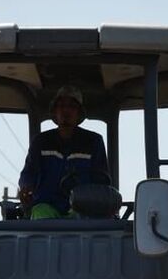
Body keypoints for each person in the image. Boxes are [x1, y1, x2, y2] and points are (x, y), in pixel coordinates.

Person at [17, 86, 110, 219]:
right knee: (40, 213)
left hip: (81, 209)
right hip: (47, 205)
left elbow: (102, 181)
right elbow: (28, 173)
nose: (66, 110)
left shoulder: (93, 141)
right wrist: (26, 187)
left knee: (84, 219)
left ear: (78, 113)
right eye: (61, 106)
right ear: (55, 112)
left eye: (72, 106)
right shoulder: (41, 142)